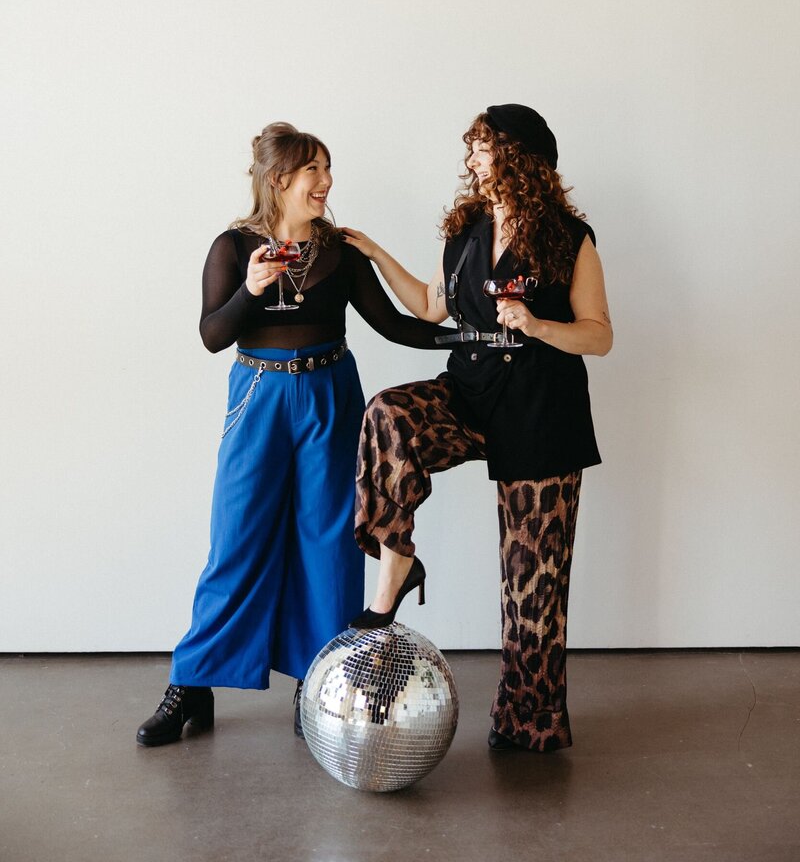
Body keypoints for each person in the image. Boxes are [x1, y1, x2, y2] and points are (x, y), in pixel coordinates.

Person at [136, 122, 444, 747]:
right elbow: (213, 335)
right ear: (280, 180)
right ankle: (192, 684)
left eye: (328, 170)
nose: (327, 183)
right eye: (315, 172)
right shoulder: (232, 246)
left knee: (328, 542)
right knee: (237, 537)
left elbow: (394, 326)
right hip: (259, 395)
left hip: (331, 393)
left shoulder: (341, 252)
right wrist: (250, 289)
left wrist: (472, 339)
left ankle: (317, 679)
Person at [343, 103, 612, 753]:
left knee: (533, 592)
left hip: (541, 411)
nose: (471, 159)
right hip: (468, 395)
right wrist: (374, 252)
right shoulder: (465, 229)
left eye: (482, 148)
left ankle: (529, 722)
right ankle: (396, 564)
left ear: (517, 156)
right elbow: (429, 305)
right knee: (388, 415)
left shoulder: (569, 237)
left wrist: (538, 325)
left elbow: (599, 335)